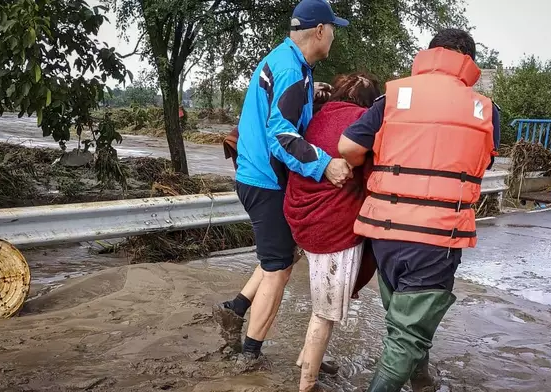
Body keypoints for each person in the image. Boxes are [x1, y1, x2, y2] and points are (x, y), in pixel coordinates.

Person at [338, 29, 500, 392]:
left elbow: (347, 145)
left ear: (429, 55)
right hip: (437, 236)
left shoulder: (392, 96)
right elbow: (484, 162)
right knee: (406, 335)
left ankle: (422, 381)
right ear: (468, 62)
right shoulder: (485, 109)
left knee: (405, 321)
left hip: (384, 233)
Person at [212, 0, 352, 367]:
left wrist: (310, 92)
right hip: (266, 181)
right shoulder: (292, 71)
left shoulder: (287, 61)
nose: (334, 35)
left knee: (279, 254)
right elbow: (281, 136)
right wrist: (325, 166)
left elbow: (282, 107)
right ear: (320, 31)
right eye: (333, 28)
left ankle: (236, 307)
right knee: (278, 268)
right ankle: (250, 353)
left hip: (253, 174)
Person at [282, 73, 380, 392]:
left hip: (299, 218)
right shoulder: (363, 124)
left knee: (318, 297)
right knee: (324, 314)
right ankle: (307, 383)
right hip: (331, 227)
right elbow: (372, 178)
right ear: (370, 102)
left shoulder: (316, 116)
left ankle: (306, 359)